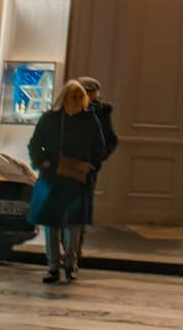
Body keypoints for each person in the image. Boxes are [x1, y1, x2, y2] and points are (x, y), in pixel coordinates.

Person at [27, 79, 108, 285]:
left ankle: (67, 264)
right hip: (57, 175)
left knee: (70, 223)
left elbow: (99, 148)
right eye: (73, 96)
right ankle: (56, 265)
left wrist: (91, 165)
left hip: (70, 177)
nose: (76, 100)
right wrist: (42, 163)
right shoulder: (56, 119)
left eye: (79, 96)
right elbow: (35, 144)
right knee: (56, 223)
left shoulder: (84, 120)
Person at [72, 76, 120, 269]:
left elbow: (109, 140)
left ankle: (74, 252)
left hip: (86, 167)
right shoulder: (69, 108)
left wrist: (95, 161)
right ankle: (68, 250)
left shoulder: (99, 113)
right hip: (67, 165)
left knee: (80, 210)